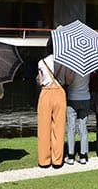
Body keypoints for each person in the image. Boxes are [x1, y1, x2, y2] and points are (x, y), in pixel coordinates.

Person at [37, 38, 66, 168]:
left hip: (46, 92)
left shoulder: (41, 62)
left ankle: (44, 160)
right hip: (60, 92)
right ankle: (57, 160)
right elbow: (68, 81)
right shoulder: (65, 62)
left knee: (44, 127)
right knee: (58, 128)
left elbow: (40, 81)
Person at [63, 66, 90, 165]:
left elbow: (68, 81)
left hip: (73, 98)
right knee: (83, 127)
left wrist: (68, 71)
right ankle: (83, 155)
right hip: (85, 97)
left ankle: (71, 155)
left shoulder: (71, 67)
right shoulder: (87, 67)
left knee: (71, 127)